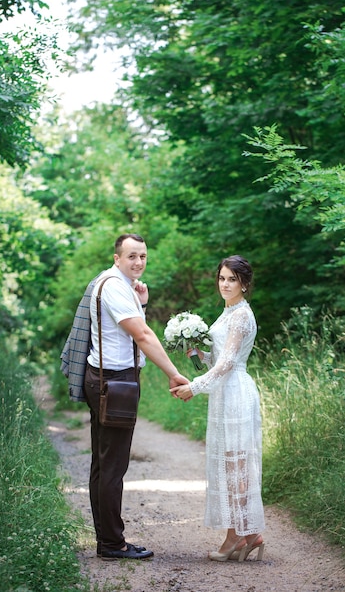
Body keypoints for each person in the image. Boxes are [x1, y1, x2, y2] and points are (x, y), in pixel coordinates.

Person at [84, 233, 190, 561]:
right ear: (117, 258)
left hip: (106, 379)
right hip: (114, 382)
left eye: (143, 256)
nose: (139, 262)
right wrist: (173, 373)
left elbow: (122, 327)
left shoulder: (114, 283)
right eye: (131, 256)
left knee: (104, 465)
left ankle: (107, 540)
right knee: (112, 466)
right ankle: (113, 544)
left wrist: (141, 304)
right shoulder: (115, 287)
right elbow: (142, 334)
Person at [174, 255, 265, 562]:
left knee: (237, 466)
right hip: (224, 393)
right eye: (222, 278)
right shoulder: (227, 312)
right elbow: (218, 359)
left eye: (232, 280)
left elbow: (228, 364)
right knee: (230, 465)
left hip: (236, 392)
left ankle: (235, 537)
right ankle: (250, 534)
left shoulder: (241, 315)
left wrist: (194, 386)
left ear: (245, 284)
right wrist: (198, 353)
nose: (225, 284)